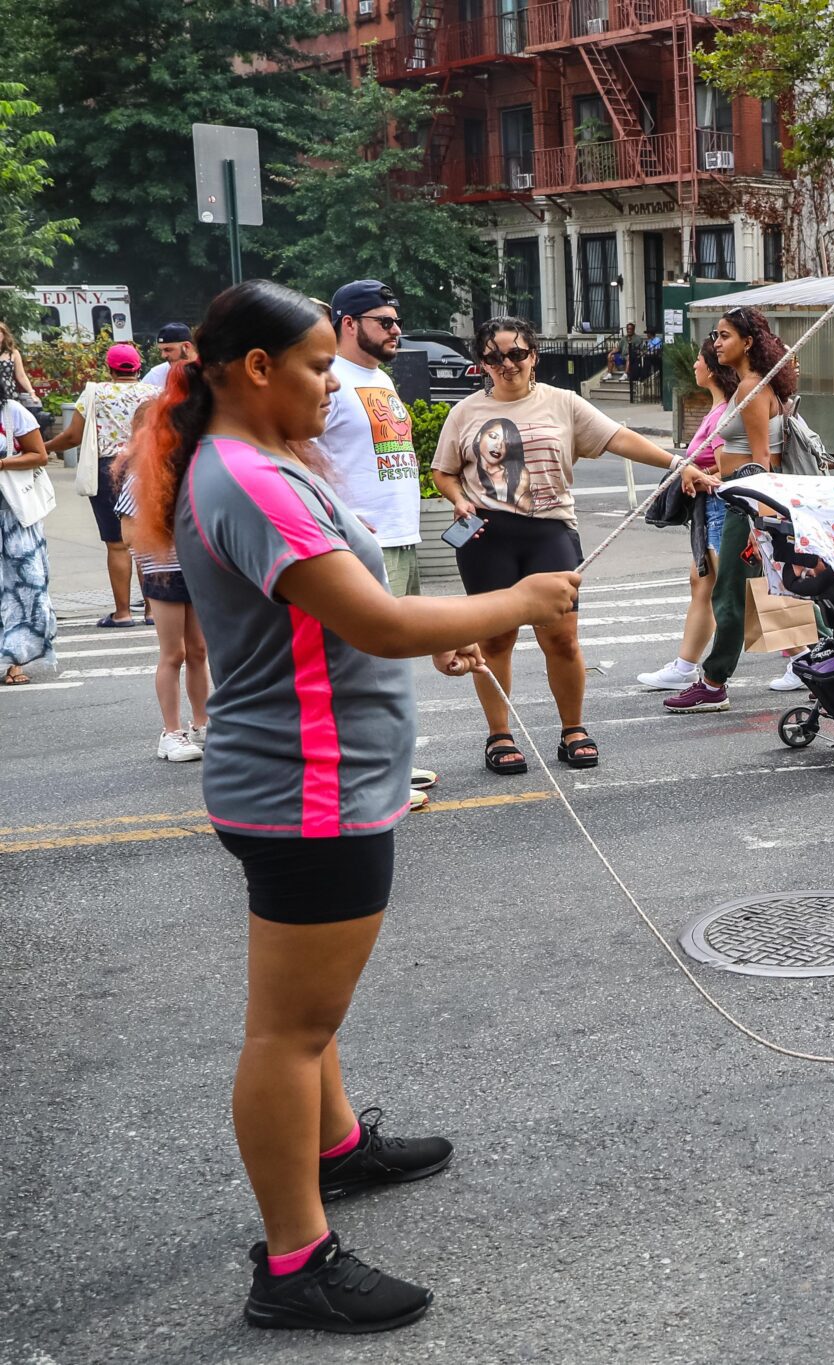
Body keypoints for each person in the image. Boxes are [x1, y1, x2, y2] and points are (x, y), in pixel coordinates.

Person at [121, 278, 582, 1332]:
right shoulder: (250, 478)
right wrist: (514, 601)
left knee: (311, 1013)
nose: (334, 383)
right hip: (305, 789)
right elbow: (371, 621)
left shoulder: (257, 461)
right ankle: (295, 1264)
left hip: (311, 779)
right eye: (319, 365)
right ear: (256, 369)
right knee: (290, 1030)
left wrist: (439, 631)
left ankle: (335, 1149)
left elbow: (345, 610)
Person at [432, 315, 718, 773]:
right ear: (482, 364)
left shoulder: (563, 403)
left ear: (533, 356)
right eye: (494, 357)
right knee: (496, 640)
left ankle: (573, 730)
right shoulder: (464, 413)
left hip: (550, 533)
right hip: (486, 536)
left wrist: (677, 465)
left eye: (517, 354)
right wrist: (459, 499)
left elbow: (618, 437)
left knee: (562, 640)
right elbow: (443, 471)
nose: (507, 364)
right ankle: (499, 735)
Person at [317, 280, 439, 804]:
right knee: (362, 665)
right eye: (384, 322)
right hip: (365, 541)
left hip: (400, 534)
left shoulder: (379, 378)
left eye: (397, 321)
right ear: (349, 323)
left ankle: (390, 765)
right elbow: (299, 453)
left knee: (389, 660)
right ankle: (370, 779)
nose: (396, 330)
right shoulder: (329, 378)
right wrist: (339, 518)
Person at [665, 306, 811, 713]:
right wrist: (711, 475)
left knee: (730, 592)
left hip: (747, 503)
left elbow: (762, 459)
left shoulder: (752, 388)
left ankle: (713, 683)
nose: (716, 343)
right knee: (770, 589)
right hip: (742, 497)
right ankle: (817, 660)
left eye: (725, 335)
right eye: (716, 335)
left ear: (748, 342)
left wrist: (756, 520)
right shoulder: (753, 385)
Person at [638, 341, 739, 693]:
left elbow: (731, 469)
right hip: (710, 511)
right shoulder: (718, 410)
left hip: (720, 509)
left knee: (739, 592)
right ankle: (684, 667)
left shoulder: (724, 413)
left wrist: (696, 475)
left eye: (698, 360)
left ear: (711, 369)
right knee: (704, 584)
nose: (694, 365)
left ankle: (804, 655)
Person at [48, 342, 158, 627]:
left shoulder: (95, 393)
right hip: (147, 467)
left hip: (108, 470)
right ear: (138, 368)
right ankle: (153, 611)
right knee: (146, 541)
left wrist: (42, 447)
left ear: (109, 369)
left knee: (117, 544)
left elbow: (73, 436)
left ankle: (122, 614)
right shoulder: (155, 393)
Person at [113, 468, 208, 760]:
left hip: (196, 570)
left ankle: (202, 725)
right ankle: (171, 733)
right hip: (162, 572)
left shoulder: (196, 471)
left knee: (199, 651)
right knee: (173, 653)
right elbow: (127, 535)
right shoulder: (142, 478)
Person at [0, 392, 54, 685]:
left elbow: (39, 455)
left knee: (23, 591)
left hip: (14, 518)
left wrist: (3, 464)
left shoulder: (12, 412)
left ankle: (15, 661)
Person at [143, 321, 196, 388]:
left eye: (168, 350)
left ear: (186, 347)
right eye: (161, 350)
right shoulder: (156, 375)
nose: (163, 355)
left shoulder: (206, 372)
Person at [0, 320, 38, 408]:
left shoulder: (13, 353)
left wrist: (32, 392)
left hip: (8, 393)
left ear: (4, 335)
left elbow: (21, 376)